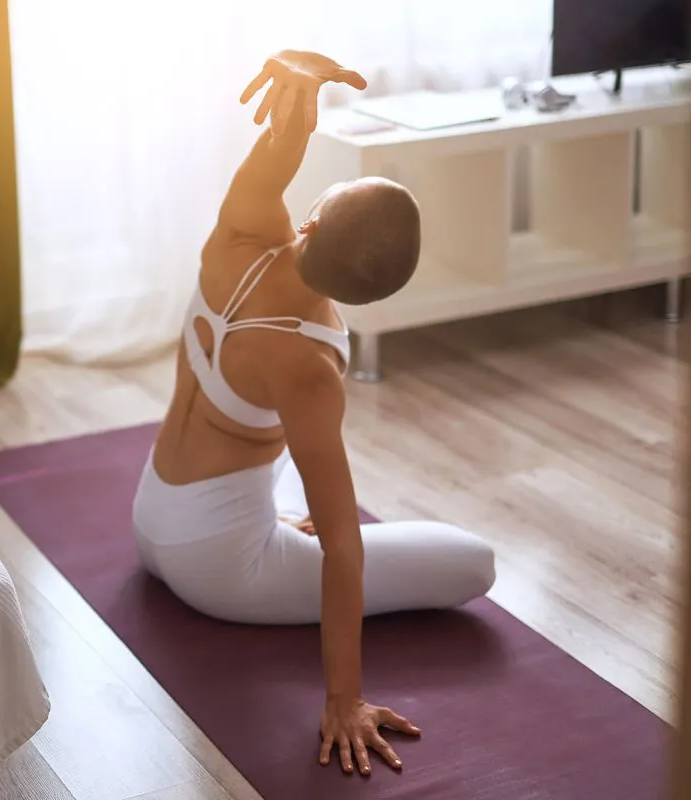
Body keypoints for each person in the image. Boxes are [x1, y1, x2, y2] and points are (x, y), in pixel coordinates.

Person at [132, 49, 496, 777]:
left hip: (151, 517)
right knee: (473, 562)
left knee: (303, 497)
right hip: (219, 571)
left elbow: (275, 158)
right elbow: (343, 544)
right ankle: (269, 534)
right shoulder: (311, 368)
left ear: (311, 220)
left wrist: (301, 92)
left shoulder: (238, 242)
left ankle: (264, 521)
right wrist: (344, 700)